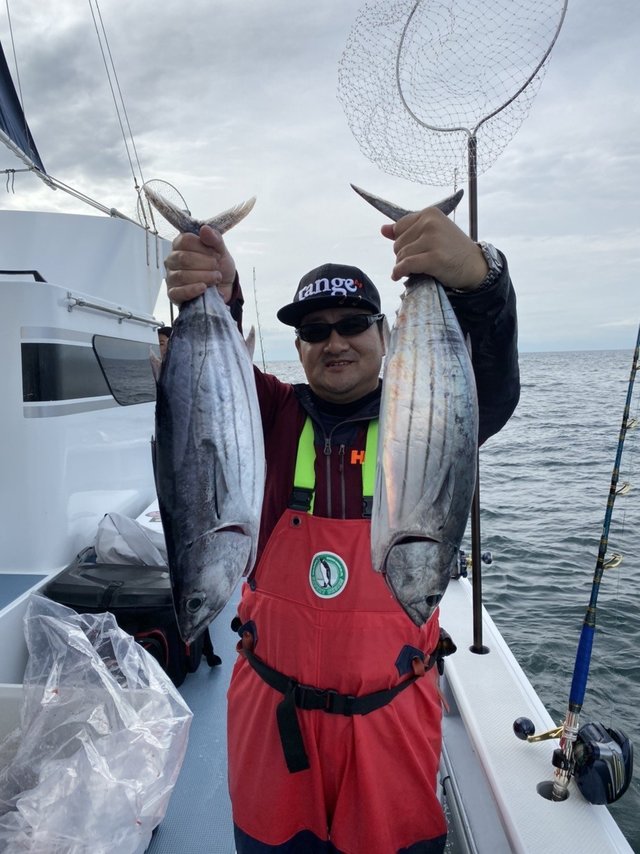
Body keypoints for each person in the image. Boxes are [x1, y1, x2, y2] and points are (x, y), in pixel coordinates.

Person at [163, 200, 520, 854]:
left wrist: (481, 280)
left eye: (353, 324)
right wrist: (218, 292)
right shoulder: (270, 415)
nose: (334, 341)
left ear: (386, 334)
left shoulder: (431, 413)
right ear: (297, 348)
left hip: (391, 727)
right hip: (273, 728)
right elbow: (211, 400)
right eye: (314, 331)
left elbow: (491, 386)